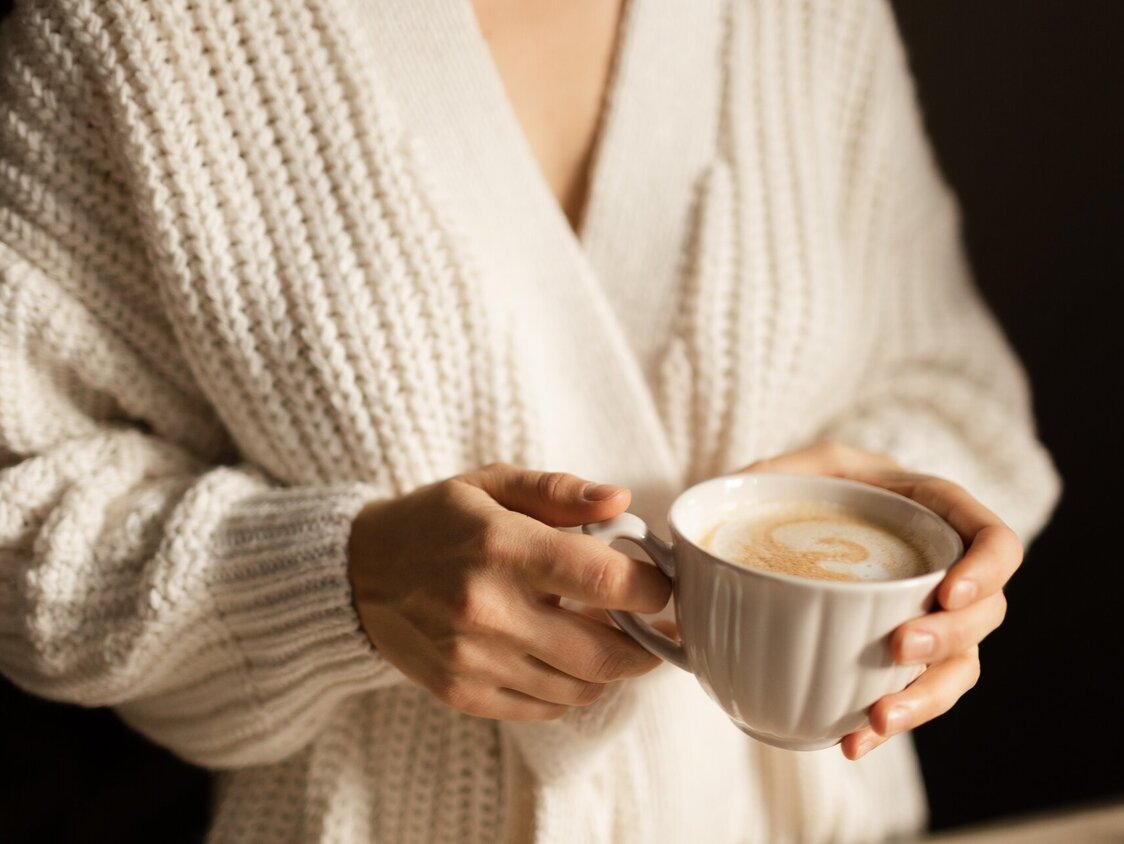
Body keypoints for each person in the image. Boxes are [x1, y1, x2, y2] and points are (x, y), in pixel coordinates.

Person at [0, 0, 1059, 842]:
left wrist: (907, 560)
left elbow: (953, 388)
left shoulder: (806, 17)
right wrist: (340, 580)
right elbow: (18, 508)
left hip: (817, 815)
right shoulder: (133, 29)